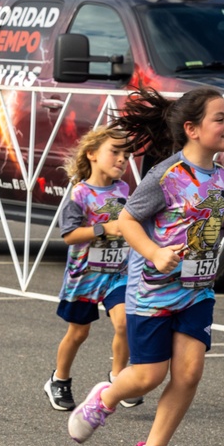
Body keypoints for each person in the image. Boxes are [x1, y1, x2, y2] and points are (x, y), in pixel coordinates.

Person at [68, 86, 224, 446]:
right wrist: (153, 252)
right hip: (153, 291)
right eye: (219, 118)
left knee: (189, 372)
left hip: (197, 289)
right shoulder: (165, 175)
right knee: (149, 375)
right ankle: (105, 398)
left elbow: (200, 222)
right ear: (192, 129)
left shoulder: (218, 175)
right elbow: (129, 221)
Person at [44, 126, 142, 412]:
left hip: (118, 273)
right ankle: (59, 379)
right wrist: (103, 228)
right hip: (85, 276)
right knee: (78, 332)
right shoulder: (80, 194)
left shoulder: (125, 190)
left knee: (124, 323)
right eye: (115, 152)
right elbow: (70, 235)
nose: (122, 159)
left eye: (126, 155)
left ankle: (119, 379)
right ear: (92, 154)